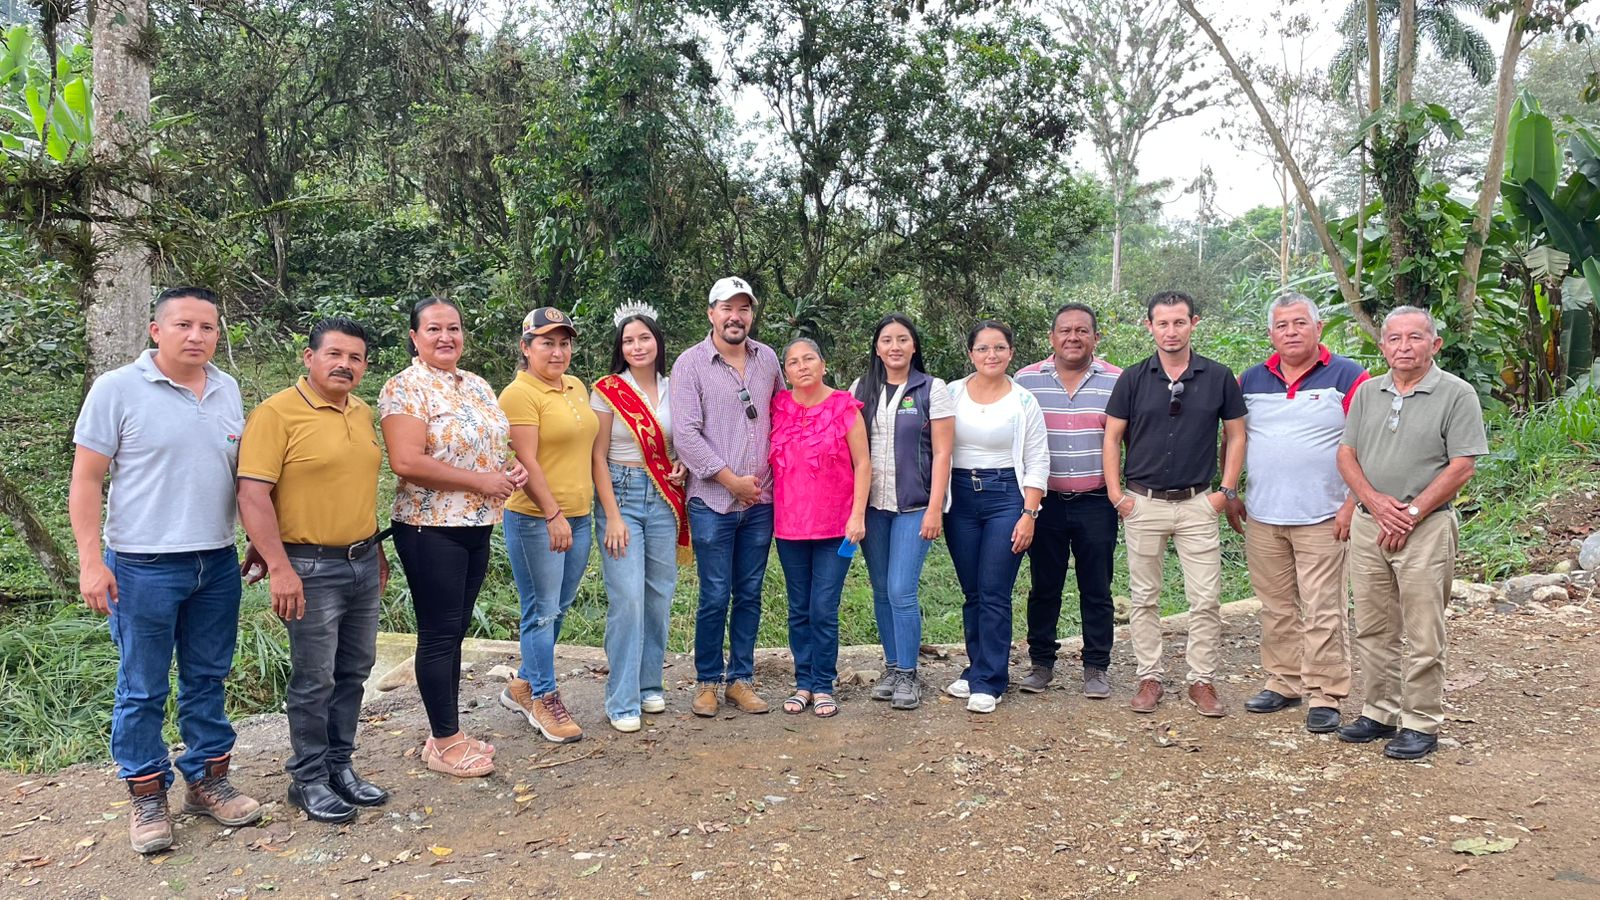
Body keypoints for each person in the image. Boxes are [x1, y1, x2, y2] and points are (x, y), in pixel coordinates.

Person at [69, 286, 262, 854]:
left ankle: (206, 780)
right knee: (142, 685)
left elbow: (236, 476)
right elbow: (86, 479)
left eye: (207, 327)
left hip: (216, 561)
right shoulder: (117, 389)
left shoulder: (226, 388)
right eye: (183, 325)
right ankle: (147, 792)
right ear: (156, 330)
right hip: (141, 564)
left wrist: (256, 539)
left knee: (208, 676)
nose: (196, 336)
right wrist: (90, 561)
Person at [237, 317, 392, 823]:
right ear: (309, 358)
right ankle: (307, 778)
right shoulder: (276, 413)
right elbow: (253, 495)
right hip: (308, 565)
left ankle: (339, 766)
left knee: (354, 669)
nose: (345, 365)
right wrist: (279, 567)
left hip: (360, 560)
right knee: (314, 677)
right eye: (335, 354)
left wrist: (376, 551)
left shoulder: (362, 413)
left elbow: (354, 488)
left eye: (355, 358)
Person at [380, 297, 527, 778]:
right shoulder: (405, 387)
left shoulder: (477, 385)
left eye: (454, 328)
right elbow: (406, 461)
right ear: (414, 337)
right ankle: (445, 742)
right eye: (434, 329)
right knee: (439, 634)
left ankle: (448, 733)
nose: (446, 337)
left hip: (475, 523)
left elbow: (487, 449)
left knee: (454, 630)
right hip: (430, 526)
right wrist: (481, 482)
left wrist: (508, 470)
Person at [1336, 306, 1486, 760]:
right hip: (1370, 523)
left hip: (1427, 528)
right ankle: (1379, 711)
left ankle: (1421, 721)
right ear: (1382, 345)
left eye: (1415, 337)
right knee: (1373, 626)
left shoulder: (1456, 394)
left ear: (1434, 344)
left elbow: (1462, 465)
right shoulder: (1368, 392)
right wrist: (1376, 503)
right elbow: (1346, 455)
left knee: (1424, 631)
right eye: (1395, 338)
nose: (1404, 346)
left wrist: (1412, 513)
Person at [1229, 294, 1369, 733]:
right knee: (1276, 606)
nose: (1291, 332)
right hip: (1264, 515)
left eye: (1299, 323)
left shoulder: (1349, 376)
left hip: (1325, 515)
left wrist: (1352, 503)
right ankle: (1284, 681)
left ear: (1318, 327)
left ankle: (1325, 693)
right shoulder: (1250, 380)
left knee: (1324, 608)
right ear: (1270, 334)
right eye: (1282, 325)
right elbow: (1234, 438)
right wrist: (1231, 491)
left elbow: (1367, 443)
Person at [1103, 290, 1246, 718]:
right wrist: (1116, 495)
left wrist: (1226, 491)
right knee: (1144, 597)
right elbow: (1111, 437)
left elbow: (1236, 434)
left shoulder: (1218, 376)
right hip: (1142, 503)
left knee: (1205, 598)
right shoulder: (1133, 378)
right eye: (1162, 323)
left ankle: (1201, 680)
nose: (1171, 331)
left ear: (1193, 324)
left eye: (1179, 322)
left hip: (1197, 503)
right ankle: (1150, 677)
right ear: (1149, 326)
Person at [670, 276, 784, 718]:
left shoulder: (767, 359)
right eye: (726, 308)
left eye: (743, 308)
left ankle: (741, 679)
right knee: (715, 593)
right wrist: (730, 479)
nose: (735, 317)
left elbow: (782, 415)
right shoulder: (690, 364)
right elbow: (686, 434)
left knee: (750, 592)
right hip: (712, 502)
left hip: (761, 502)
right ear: (711, 314)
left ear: (751, 315)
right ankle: (706, 681)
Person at [496, 308, 600, 744]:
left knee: (559, 605)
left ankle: (523, 683)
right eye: (546, 343)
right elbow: (526, 461)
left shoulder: (575, 386)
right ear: (526, 347)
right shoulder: (518, 394)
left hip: (579, 514)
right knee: (541, 611)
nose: (557, 352)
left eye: (563, 343)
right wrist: (553, 513)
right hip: (537, 519)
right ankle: (543, 697)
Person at [1014, 303, 1123, 699]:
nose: (1073, 337)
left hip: (1097, 501)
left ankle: (1096, 667)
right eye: (1065, 330)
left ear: (1096, 337)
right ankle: (1041, 663)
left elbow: (1130, 439)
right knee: (1045, 585)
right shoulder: (1026, 381)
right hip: (1045, 503)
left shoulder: (1117, 381)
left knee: (1097, 587)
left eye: (1082, 330)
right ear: (1052, 337)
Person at [942, 320, 1049, 714]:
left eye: (999, 347)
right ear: (970, 353)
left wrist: (1029, 513)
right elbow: (935, 446)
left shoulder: (1023, 401)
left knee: (993, 589)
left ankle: (991, 680)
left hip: (1006, 496)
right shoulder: (951, 393)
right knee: (972, 591)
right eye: (983, 348)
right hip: (960, 498)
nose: (992, 355)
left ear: (1011, 353)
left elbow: (1038, 459)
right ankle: (976, 668)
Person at [591, 304, 690, 732]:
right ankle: (622, 697)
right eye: (628, 340)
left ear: (657, 342)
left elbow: (682, 438)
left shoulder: (675, 387)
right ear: (620, 347)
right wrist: (612, 516)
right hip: (621, 495)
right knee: (627, 598)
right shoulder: (607, 390)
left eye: (644, 338)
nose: (637, 346)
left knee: (658, 596)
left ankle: (650, 683)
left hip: (664, 499)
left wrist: (682, 462)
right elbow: (596, 456)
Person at [851, 314, 954, 711]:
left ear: (914, 346)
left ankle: (910, 673)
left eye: (903, 339)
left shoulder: (932, 389)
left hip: (915, 505)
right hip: (872, 507)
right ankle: (893, 667)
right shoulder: (861, 389)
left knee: (900, 589)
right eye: (887, 340)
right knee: (881, 589)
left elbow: (943, 453)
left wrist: (935, 509)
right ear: (877, 348)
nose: (894, 346)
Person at [771, 339, 870, 718]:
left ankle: (824, 684)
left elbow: (863, 463)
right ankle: (803, 683)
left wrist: (857, 515)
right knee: (799, 608)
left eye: (808, 358)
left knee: (823, 607)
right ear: (786, 372)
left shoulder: (844, 407)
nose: (802, 366)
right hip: (789, 526)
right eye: (793, 362)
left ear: (823, 364)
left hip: (835, 526)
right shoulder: (778, 406)